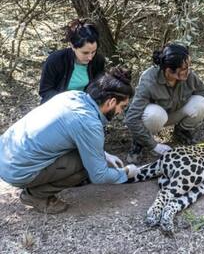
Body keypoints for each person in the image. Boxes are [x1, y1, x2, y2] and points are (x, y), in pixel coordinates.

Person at [0, 67, 137, 214]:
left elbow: (72, 131)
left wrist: (104, 154)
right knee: (86, 166)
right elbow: (99, 175)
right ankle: (35, 196)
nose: (120, 112)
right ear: (111, 102)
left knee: (88, 157)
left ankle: (36, 182)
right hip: (16, 171)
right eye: (122, 107)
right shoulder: (89, 122)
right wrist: (125, 172)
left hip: (6, 156)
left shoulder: (73, 96)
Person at [125, 43, 204, 161]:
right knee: (154, 114)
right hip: (154, 118)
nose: (188, 71)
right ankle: (139, 142)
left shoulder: (190, 77)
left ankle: (181, 131)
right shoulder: (149, 80)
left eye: (188, 66)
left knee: (202, 103)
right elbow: (131, 118)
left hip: (173, 114)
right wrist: (154, 145)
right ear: (169, 71)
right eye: (184, 68)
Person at [39, 19, 105, 104]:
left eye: (93, 52)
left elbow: (97, 88)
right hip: (56, 105)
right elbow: (45, 91)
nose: (90, 57)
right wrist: (69, 102)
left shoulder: (98, 61)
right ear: (73, 46)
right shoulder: (56, 60)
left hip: (83, 106)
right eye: (85, 53)